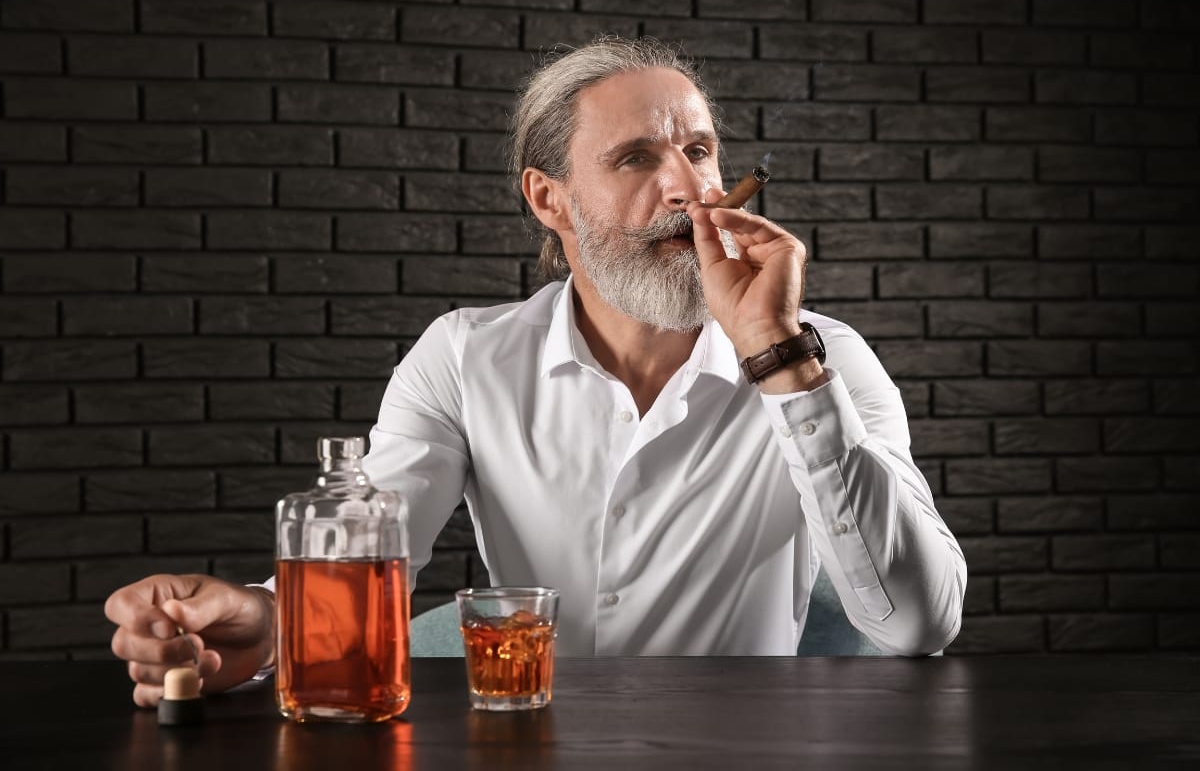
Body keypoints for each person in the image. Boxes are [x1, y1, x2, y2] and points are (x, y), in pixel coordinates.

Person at [106, 36, 966, 707]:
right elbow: (371, 557)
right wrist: (253, 626)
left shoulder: (824, 357)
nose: (688, 189)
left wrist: (779, 356)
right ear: (547, 198)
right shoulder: (463, 357)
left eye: (700, 151)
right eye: (636, 159)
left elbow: (918, 624)